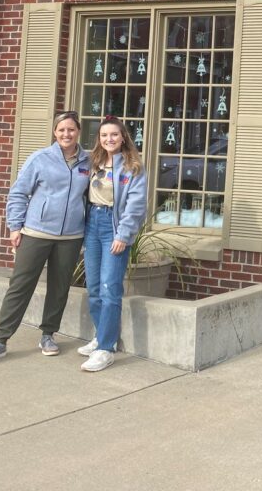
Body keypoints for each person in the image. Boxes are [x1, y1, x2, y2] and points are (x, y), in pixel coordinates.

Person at [0, 110, 91, 364]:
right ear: (55, 132)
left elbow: (92, 198)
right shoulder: (40, 158)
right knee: (20, 286)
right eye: (61, 130)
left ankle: (48, 335)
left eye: (71, 129)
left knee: (59, 289)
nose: (66, 134)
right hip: (36, 232)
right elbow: (18, 193)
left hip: (70, 237)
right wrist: (15, 227)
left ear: (78, 131)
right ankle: (0, 341)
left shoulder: (88, 162)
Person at [78, 115, 147, 372]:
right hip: (92, 225)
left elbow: (136, 205)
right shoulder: (91, 161)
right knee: (94, 287)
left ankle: (105, 349)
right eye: (104, 135)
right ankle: (101, 336)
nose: (109, 139)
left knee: (110, 288)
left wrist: (123, 235)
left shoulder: (132, 167)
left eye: (114, 135)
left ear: (123, 137)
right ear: (99, 138)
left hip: (113, 228)